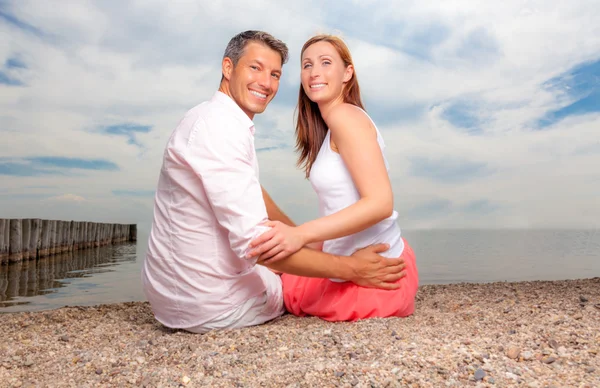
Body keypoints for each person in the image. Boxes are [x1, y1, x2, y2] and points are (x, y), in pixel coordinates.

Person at [141, 30, 408, 334]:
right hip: (212, 304)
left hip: (174, 295)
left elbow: (252, 190)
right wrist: (352, 268)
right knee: (293, 277)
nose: (266, 83)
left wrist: (299, 236)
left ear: (348, 73)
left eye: (275, 74)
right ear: (228, 68)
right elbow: (260, 247)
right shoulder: (220, 130)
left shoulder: (209, 119)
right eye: (255, 68)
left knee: (296, 262)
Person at [247, 34, 419, 322]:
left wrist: (299, 235)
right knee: (274, 265)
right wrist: (297, 243)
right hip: (357, 261)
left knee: (264, 286)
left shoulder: (345, 117)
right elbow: (337, 207)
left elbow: (380, 203)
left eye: (326, 63)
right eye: (307, 65)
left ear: (347, 73)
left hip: (376, 278)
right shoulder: (331, 127)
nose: (314, 72)